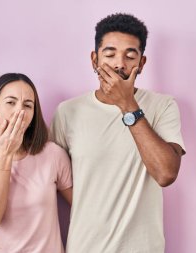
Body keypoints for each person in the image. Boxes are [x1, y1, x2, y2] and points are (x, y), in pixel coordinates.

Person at [50, 13, 186, 253]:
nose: (119, 64)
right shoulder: (68, 112)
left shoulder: (162, 106)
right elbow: (53, 177)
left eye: (130, 56)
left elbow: (166, 173)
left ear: (142, 63)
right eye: (110, 54)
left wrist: (127, 104)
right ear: (94, 59)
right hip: (86, 247)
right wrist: (94, 207)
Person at [0, 73, 72, 253]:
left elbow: (83, 208)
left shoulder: (53, 154)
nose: (19, 111)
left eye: (28, 105)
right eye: (11, 102)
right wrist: (5, 154)